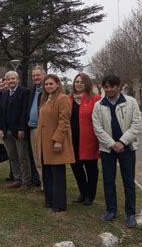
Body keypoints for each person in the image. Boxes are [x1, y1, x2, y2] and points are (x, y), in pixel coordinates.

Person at [92, 75, 142, 228]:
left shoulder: (130, 102)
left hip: (127, 147)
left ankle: (130, 213)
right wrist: (113, 144)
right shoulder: (99, 105)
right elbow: (97, 128)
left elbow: (136, 125)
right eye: (106, 87)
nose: (109, 90)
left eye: (112, 86)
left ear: (118, 87)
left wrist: (122, 142)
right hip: (108, 149)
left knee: (128, 181)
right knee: (108, 180)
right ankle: (111, 210)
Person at [36, 74, 75, 212]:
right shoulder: (46, 99)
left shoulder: (62, 98)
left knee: (57, 173)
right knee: (47, 173)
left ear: (57, 84)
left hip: (55, 141)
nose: (48, 86)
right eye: (46, 84)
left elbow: (64, 120)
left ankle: (59, 203)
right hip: (44, 142)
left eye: (51, 84)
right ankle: (50, 200)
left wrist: (58, 140)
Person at [69, 73, 101, 206]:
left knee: (91, 168)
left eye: (82, 82)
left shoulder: (95, 99)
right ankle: (83, 191)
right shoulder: (68, 99)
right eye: (77, 82)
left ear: (86, 83)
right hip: (72, 140)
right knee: (76, 167)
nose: (79, 84)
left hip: (89, 140)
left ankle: (90, 195)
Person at [0, 71, 31, 190]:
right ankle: (18, 179)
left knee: (23, 157)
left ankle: (26, 181)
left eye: (13, 78)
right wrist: (0, 129)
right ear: (6, 81)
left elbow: (24, 112)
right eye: (8, 79)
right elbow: (1, 113)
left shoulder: (24, 93)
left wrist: (22, 128)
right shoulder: (5, 94)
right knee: (12, 156)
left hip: (19, 131)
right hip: (7, 131)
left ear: (17, 80)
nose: (11, 81)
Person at [27, 66, 46, 188]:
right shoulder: (33, 90)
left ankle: (47, 183)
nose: (35, 78)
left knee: (45, 158)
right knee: (37, 158)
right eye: (33, 76)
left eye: (38, 75)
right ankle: (43, 183)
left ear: (43, 75)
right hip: (33, 128)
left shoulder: (47, 90)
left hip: (44, 129)